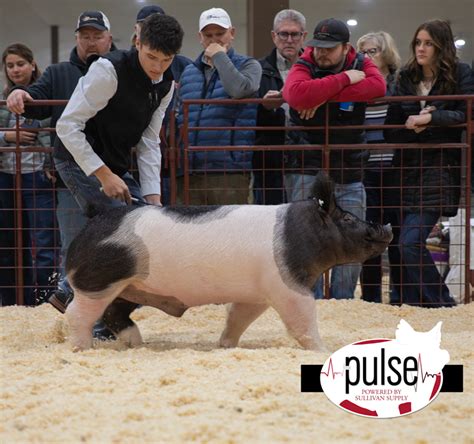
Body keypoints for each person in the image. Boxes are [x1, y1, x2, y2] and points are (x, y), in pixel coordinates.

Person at [6, 11, 115, 304]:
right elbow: (35, 101)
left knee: (115, 242)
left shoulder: (122, 69)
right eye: (85, 36)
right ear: (77, 38)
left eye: (97, 36)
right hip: (70, 174)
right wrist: (20, 94)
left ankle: (104, 305)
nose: (91, 42)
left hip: (112, 172)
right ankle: (73, 307)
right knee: (72, 243)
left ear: (109, 39)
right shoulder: (58, 73)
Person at [282, 18, 386, 299]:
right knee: (306, 238)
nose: (321, 53)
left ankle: (343, 301)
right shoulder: (305, 62)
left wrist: (318, 95)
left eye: (329, 48)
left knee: (354, 240)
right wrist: (342, 80)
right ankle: (309, 302)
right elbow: (294, 94)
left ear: (345, 48)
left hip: (349, 166)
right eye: (318, 47)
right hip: (307, 164)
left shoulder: (362, 62)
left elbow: (378, 87)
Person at [384, 19, 473, 307]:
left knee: (409, 243)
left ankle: (442, 303)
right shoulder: (405, 77)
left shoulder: (461, 73)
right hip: (405, 168)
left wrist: (431, 119)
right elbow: (390, 127)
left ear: (441, 46)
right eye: (418, 43)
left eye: (428, 43)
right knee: (403, 244)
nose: (421, 48)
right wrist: (414, 125)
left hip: (440, 168)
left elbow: (465, 114)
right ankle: (417, 305)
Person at [176, 7, 262, 205]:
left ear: (232, 33)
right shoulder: (189, 72)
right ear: (200, 37)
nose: (214, 40)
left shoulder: (249, 65)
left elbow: (238, 90)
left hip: (228, 170)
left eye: (220, 34)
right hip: (189, 169)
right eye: (208, 35)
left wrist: (219, 57)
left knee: (230, 233)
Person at [0, 43, 58, 306]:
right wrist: (7, 135)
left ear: (32, 65)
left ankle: (44, 300)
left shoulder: (43, 98)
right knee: (10, 242)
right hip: (6, 177)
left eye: (20, 64)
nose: (15, 70)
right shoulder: (1, 100)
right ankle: (13, 303)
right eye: (10, 65)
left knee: (44, 240)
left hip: (38, 175)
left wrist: (51, 162)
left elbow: (54, 130)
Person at [356, 31, 402, 303]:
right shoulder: (359, 85)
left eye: (371, 51)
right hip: (366, 169)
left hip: (395, 171)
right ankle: (370, 298)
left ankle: (399, 295)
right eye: (362, 52)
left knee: (396, 233)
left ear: (385, 53)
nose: (366, 57)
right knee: (369, 237)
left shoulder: (398, 84)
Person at [132, 4, 192, 205]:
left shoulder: (184, 65)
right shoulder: (121, 66)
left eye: (166, 60)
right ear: (137, 31)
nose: (158, 66)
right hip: (133, 151)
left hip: (172, 149)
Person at [253, 9, 307, 205]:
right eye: (284, 34)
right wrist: (265, 107)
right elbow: (249, 116)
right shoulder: (258, 69)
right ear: (274, 36)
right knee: (268, 217)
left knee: (306, 217)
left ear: (304, 36)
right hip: (270, 155)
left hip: (307, 154)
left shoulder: (317, 71)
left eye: (295, 34)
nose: (289, 39)